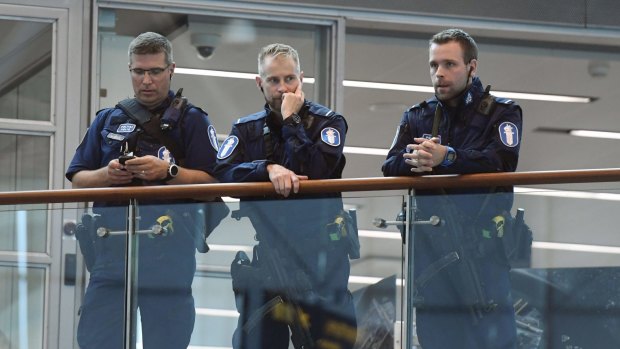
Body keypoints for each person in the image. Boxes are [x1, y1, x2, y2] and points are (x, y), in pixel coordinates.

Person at [66, 32, 220, 349]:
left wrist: (169, 172)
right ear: (130, 70)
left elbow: (214, 183)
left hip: (170, 250)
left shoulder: (192, 120)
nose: (146, 80)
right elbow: (78, 179)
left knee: (166, 341)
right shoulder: (108, 119)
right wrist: (107, 175)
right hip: (111, 251)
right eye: (138, 71)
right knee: (97, 341)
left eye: (154, 71)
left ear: (171, 70)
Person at [382, 29, 522, 348]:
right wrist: (418, 161)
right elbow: (390, 165)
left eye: (449, 64)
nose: (439, 73)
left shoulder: (502, 112)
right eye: (434, 65)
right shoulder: (418, 116)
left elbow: (503, 160)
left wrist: (448, 158)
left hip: (484, 255)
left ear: (472, 66)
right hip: (433, 259)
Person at [215, 43, 357, 349]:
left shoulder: (328, 123)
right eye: (273, 80)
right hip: (271, 255)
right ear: (259, 83)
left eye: (289, 79)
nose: (282, 88)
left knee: (329, 343)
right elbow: (221, 174)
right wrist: (266, 168)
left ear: (302, 78)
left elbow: (316, 171)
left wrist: (292, 121)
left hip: (322, 258)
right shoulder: (247, 128)